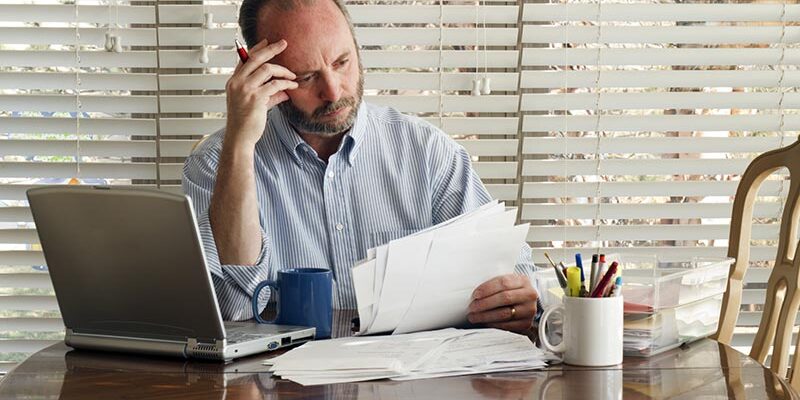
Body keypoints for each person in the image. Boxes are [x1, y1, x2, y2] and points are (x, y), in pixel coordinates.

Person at [181, 0, 540, 334]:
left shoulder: (426, 152)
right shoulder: (216, 164)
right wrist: (241, 146)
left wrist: (515, 301)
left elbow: (516, 277)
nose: (334, 92)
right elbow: (235, 310)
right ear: (262, 75)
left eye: (341, 62)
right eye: (305, 77)